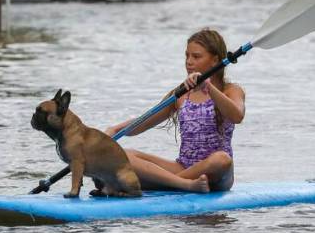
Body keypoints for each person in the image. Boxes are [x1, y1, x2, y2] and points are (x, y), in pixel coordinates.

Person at [105, 28, 245, 193]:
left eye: (196, 56)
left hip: (217, 173)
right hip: (183, 167)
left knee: (222, 159)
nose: (189, 61)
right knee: (124, 154)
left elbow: (237, 115)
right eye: (187, 56)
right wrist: (114, 130)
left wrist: (208, 88)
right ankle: (183, 184)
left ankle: (162, 183)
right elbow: (145, 121)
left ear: (215, 60)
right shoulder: (180, 94)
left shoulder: (230, 90)